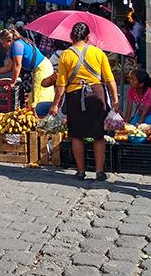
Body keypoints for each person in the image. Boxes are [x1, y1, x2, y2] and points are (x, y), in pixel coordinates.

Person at [49, 22, 119, 181]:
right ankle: (100, 171)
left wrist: (55, 104)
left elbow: (60, 84)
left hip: (74, 96)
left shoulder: (65, 55)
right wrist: (115, 100)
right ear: (88, 37)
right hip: (97, 95)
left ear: (71, 37)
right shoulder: (98, 53)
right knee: (98, 135)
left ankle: (80, 171)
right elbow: (110, 80)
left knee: (77, 135)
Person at [0, 29, 56, 115]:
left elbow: (17, 65)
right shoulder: (14, 47)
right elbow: (9, 67)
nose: (3, 46)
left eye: (3, 43)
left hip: (43, 69)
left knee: (39, 97)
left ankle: (40, 120)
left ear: (9, 41)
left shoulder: (17, 45)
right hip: (37, 69)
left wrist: (13, 82)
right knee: (33, 96)